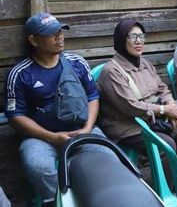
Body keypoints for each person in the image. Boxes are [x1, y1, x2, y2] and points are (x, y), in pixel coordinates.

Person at [4, 13, 109, 202]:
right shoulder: (20, 73)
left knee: (110, 159)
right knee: (38, 165)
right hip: (41, 138)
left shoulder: (76, 63)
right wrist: (51, 137)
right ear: (33, 40)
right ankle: (58, 201)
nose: (59, 36)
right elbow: (15, 116)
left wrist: (86, 129)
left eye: (60, 31)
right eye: (51, 33)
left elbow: (92, 97)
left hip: (82, 130)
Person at [98, 19, 177, 186]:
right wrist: (164, 110)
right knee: (165, 145)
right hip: (127, 126)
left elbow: (162, 88)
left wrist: (171, 105)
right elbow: (129, 106)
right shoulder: (111, 71)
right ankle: (164, 192)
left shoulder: (145, 63)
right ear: (121, 40)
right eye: (133, 37)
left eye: (141, 37)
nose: (138, 41)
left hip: (152, 120)